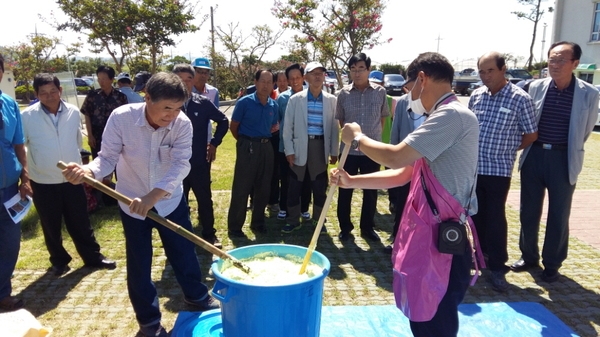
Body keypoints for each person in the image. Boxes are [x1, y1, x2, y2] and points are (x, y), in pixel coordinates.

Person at [330, 52, 479, 337]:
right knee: (423, 316)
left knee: (435, 321)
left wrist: (358, 138)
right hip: (430, 238)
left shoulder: (451, 116)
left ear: (421, 79)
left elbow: (397, 157)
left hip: (442, 243)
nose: (409, 97)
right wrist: (352, 181)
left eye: (409, 89)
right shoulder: (440, 116)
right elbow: (403, 174)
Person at [61, 72, 219, 337]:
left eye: (178, 108)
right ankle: (149, 321)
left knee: (183, 252)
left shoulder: (182, 123)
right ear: (147, 98)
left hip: (169, 202)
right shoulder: (122, 118)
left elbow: (181, 164)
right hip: (131, 202)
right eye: (166, 108)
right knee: (139, 263)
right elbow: (107, 157)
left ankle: (196, 297)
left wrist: (153, 197)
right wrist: (88, 171)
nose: (172, 114)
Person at [510, 41, 600, 283]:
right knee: (528, 211)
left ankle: (552, 264)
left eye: (561, 59)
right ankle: (528, 256)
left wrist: (565, 149)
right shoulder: (535, 87)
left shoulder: (589, 94)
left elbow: (586, 130)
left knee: (559, 214)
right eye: (552, 59)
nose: (555, 64)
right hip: (534, 156)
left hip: (563, 158)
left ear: (575, 64)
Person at [21, 73, 116, 276]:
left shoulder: (73, 112)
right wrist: (28, 176)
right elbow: (24, 147)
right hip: (43, 180)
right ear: (37, 94)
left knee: (80, 221)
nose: (49, 96)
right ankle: (59, 260)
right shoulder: (27, 117)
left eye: (53, 91)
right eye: (43, 93)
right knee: (50, 224)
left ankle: (93, 257)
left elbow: (75, 143)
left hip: (72, 179)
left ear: (60, 91)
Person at [468, 52, 538, 292]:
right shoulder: (476, 95)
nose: (486, 76)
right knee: (475, 215)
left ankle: (498, 266)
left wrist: (508, 148)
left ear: (503, 69)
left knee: (495, 217)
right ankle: (477, 257)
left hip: (498, 169)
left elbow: (531, 134)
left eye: (491, 71)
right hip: (474, 167)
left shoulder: (520, 98)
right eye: (482, 71)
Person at [172, 64, 229, 248]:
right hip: (173, 164)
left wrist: (214, 143)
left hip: (198, 162)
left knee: (204, 199)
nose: (185, 83)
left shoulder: (201, 103)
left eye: (188, 79)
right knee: (176, 201)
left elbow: (223, 121)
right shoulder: (167, 104)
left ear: (193, 80)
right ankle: (178, 236)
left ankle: (209, 235)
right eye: (180, 79)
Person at [335, 53, 389, 242]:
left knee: (370, 190)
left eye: (361, 69)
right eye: (353, 69)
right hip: (349, 151)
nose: (357, 73)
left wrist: (371, 140)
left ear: (368, 69)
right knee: (344, 189)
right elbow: (341, 121)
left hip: (371, 151)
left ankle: (367, 227)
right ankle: (345, 227)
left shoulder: (380, 92)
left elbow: (382, 119)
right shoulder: (343, 94)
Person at [281, 61, 339, 233]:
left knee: (320, 187)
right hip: (300, 146)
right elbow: (287, 128)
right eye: (313, 73)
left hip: (320, 146)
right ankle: (293, 220)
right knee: (295, 186)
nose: (317, 77)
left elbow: (335, 128)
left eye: (320, 73)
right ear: (306, 77)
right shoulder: (295, 99)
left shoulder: (331, 100)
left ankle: (318, 220)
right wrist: (289, 150)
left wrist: (334, 151)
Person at [228, 69, 279, 237]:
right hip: (247, 146)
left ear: (273, 84)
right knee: (242, 188)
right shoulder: (244, 102)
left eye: (269, 82)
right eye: (262, 81)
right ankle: (235, 227)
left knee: (264, 188)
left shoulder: (273, 105)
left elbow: (272, 127)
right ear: (255, 82)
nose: (266, 85)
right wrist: (244, 143)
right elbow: (234, 126)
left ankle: (258, 223)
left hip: (266, 147)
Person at [0, 53, 32, 312]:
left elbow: (18, 144)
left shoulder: (9, 104)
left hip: (9, 188)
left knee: (9, 243)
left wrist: (25, 176)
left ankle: (2, 293)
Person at [276, 64, 312, 222]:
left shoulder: (310, 96)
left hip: (306, 145)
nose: (295, 81)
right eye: (291, 78)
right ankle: (283, 207)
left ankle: (304, 208)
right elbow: (278, 120)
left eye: (298, 77)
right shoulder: (283, 98)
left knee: (306, 179)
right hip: (285, 146)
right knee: (286, 179)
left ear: (303, 78)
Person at [384, 93, 419, 253]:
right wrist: (394, 160)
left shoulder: (440, 104)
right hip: (406, 162)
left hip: (429, 167)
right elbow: (395, 130)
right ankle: (397, 238)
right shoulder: (403, 101)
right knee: (402, 202)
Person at [80, 65, 128, 158]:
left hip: (115, 136)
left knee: (117, 164)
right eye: (99, 79)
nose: (101, 82)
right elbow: (87, 115)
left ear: (112, 79)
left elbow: (125, 119)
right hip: (97, 136)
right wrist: (90, 135)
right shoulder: (92, 95)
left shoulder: (121, 97)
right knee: (99, 165)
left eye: (104, 79)